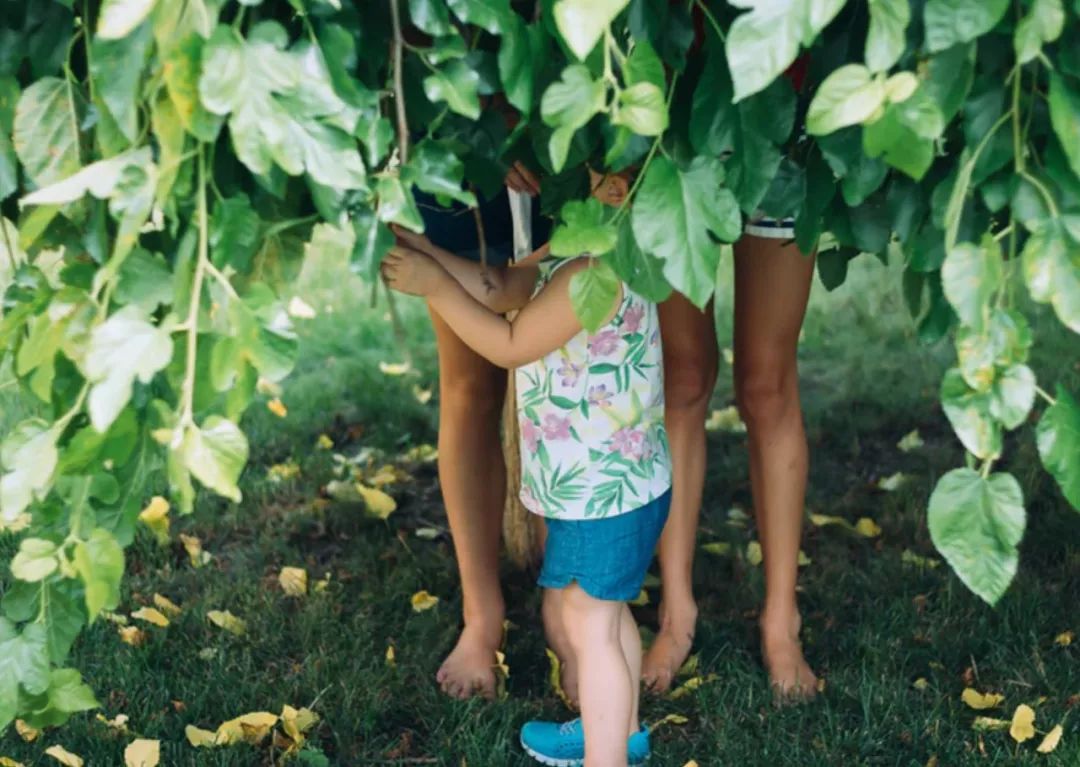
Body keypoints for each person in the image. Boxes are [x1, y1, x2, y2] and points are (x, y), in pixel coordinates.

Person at [383, 218, 671, 766]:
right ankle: (623, 734)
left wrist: (435, 286)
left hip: (598, 496)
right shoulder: (592, 244)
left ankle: (605, 756)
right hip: (620, 485)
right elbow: (502, 287)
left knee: (590, 626)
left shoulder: (593, 271)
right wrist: (427, 250)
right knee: (606, 616)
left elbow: (509, 346)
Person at [641, 222, 819, 702]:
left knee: (768, 384)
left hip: (778, 172)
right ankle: (675, 614)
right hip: (675, 171)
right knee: (682, 374)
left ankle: (781, 621)